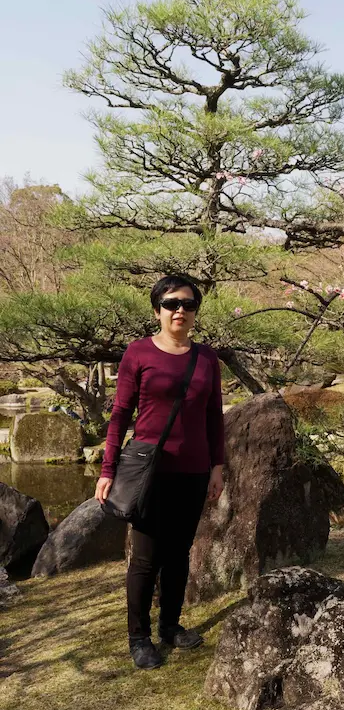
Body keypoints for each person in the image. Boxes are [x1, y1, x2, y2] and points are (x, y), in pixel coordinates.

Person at [95, 275, 224, 670]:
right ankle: (139, 638)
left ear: (196, 311)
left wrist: (218, 466)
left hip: (194, 470)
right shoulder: (138, 353)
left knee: (180, 553)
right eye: (171, 303)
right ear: (157, 310)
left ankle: (170, 625)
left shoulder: (206, 358)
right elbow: (119, 414)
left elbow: (213, 417)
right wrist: (107, 468)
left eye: (187, 304)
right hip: (150, 472)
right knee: (146, 558)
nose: (179, 310)